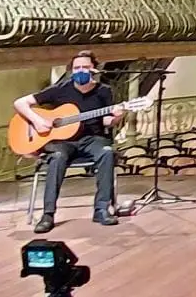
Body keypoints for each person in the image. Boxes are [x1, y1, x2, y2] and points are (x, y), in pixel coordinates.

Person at [13, 50, 124, 232]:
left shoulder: (104, 91)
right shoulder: (60, 89)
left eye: (85, 67)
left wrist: (118, 117)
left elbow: (106, 120)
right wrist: (38, 120)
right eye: (77, 68)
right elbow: (20, 103)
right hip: (62, 142)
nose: (80, 71)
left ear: (94, 70)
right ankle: (48, 214)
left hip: (92, 139)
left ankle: (102, 209)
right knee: (57, 157)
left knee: (107, 152)